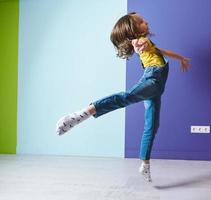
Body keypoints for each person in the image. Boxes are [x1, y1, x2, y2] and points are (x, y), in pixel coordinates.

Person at [56, 12, 191, 182]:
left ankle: (145, 165)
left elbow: (163, 52)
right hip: (152, 80)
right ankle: (82, 114)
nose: (146, 21)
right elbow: (137, 43)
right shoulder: (141, 41)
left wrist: (181, 58)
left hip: (156, 90)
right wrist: (137, 44)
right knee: (127, 97)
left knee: (152, 126)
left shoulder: (150, 43)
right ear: (133, 31)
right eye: (141, 22)